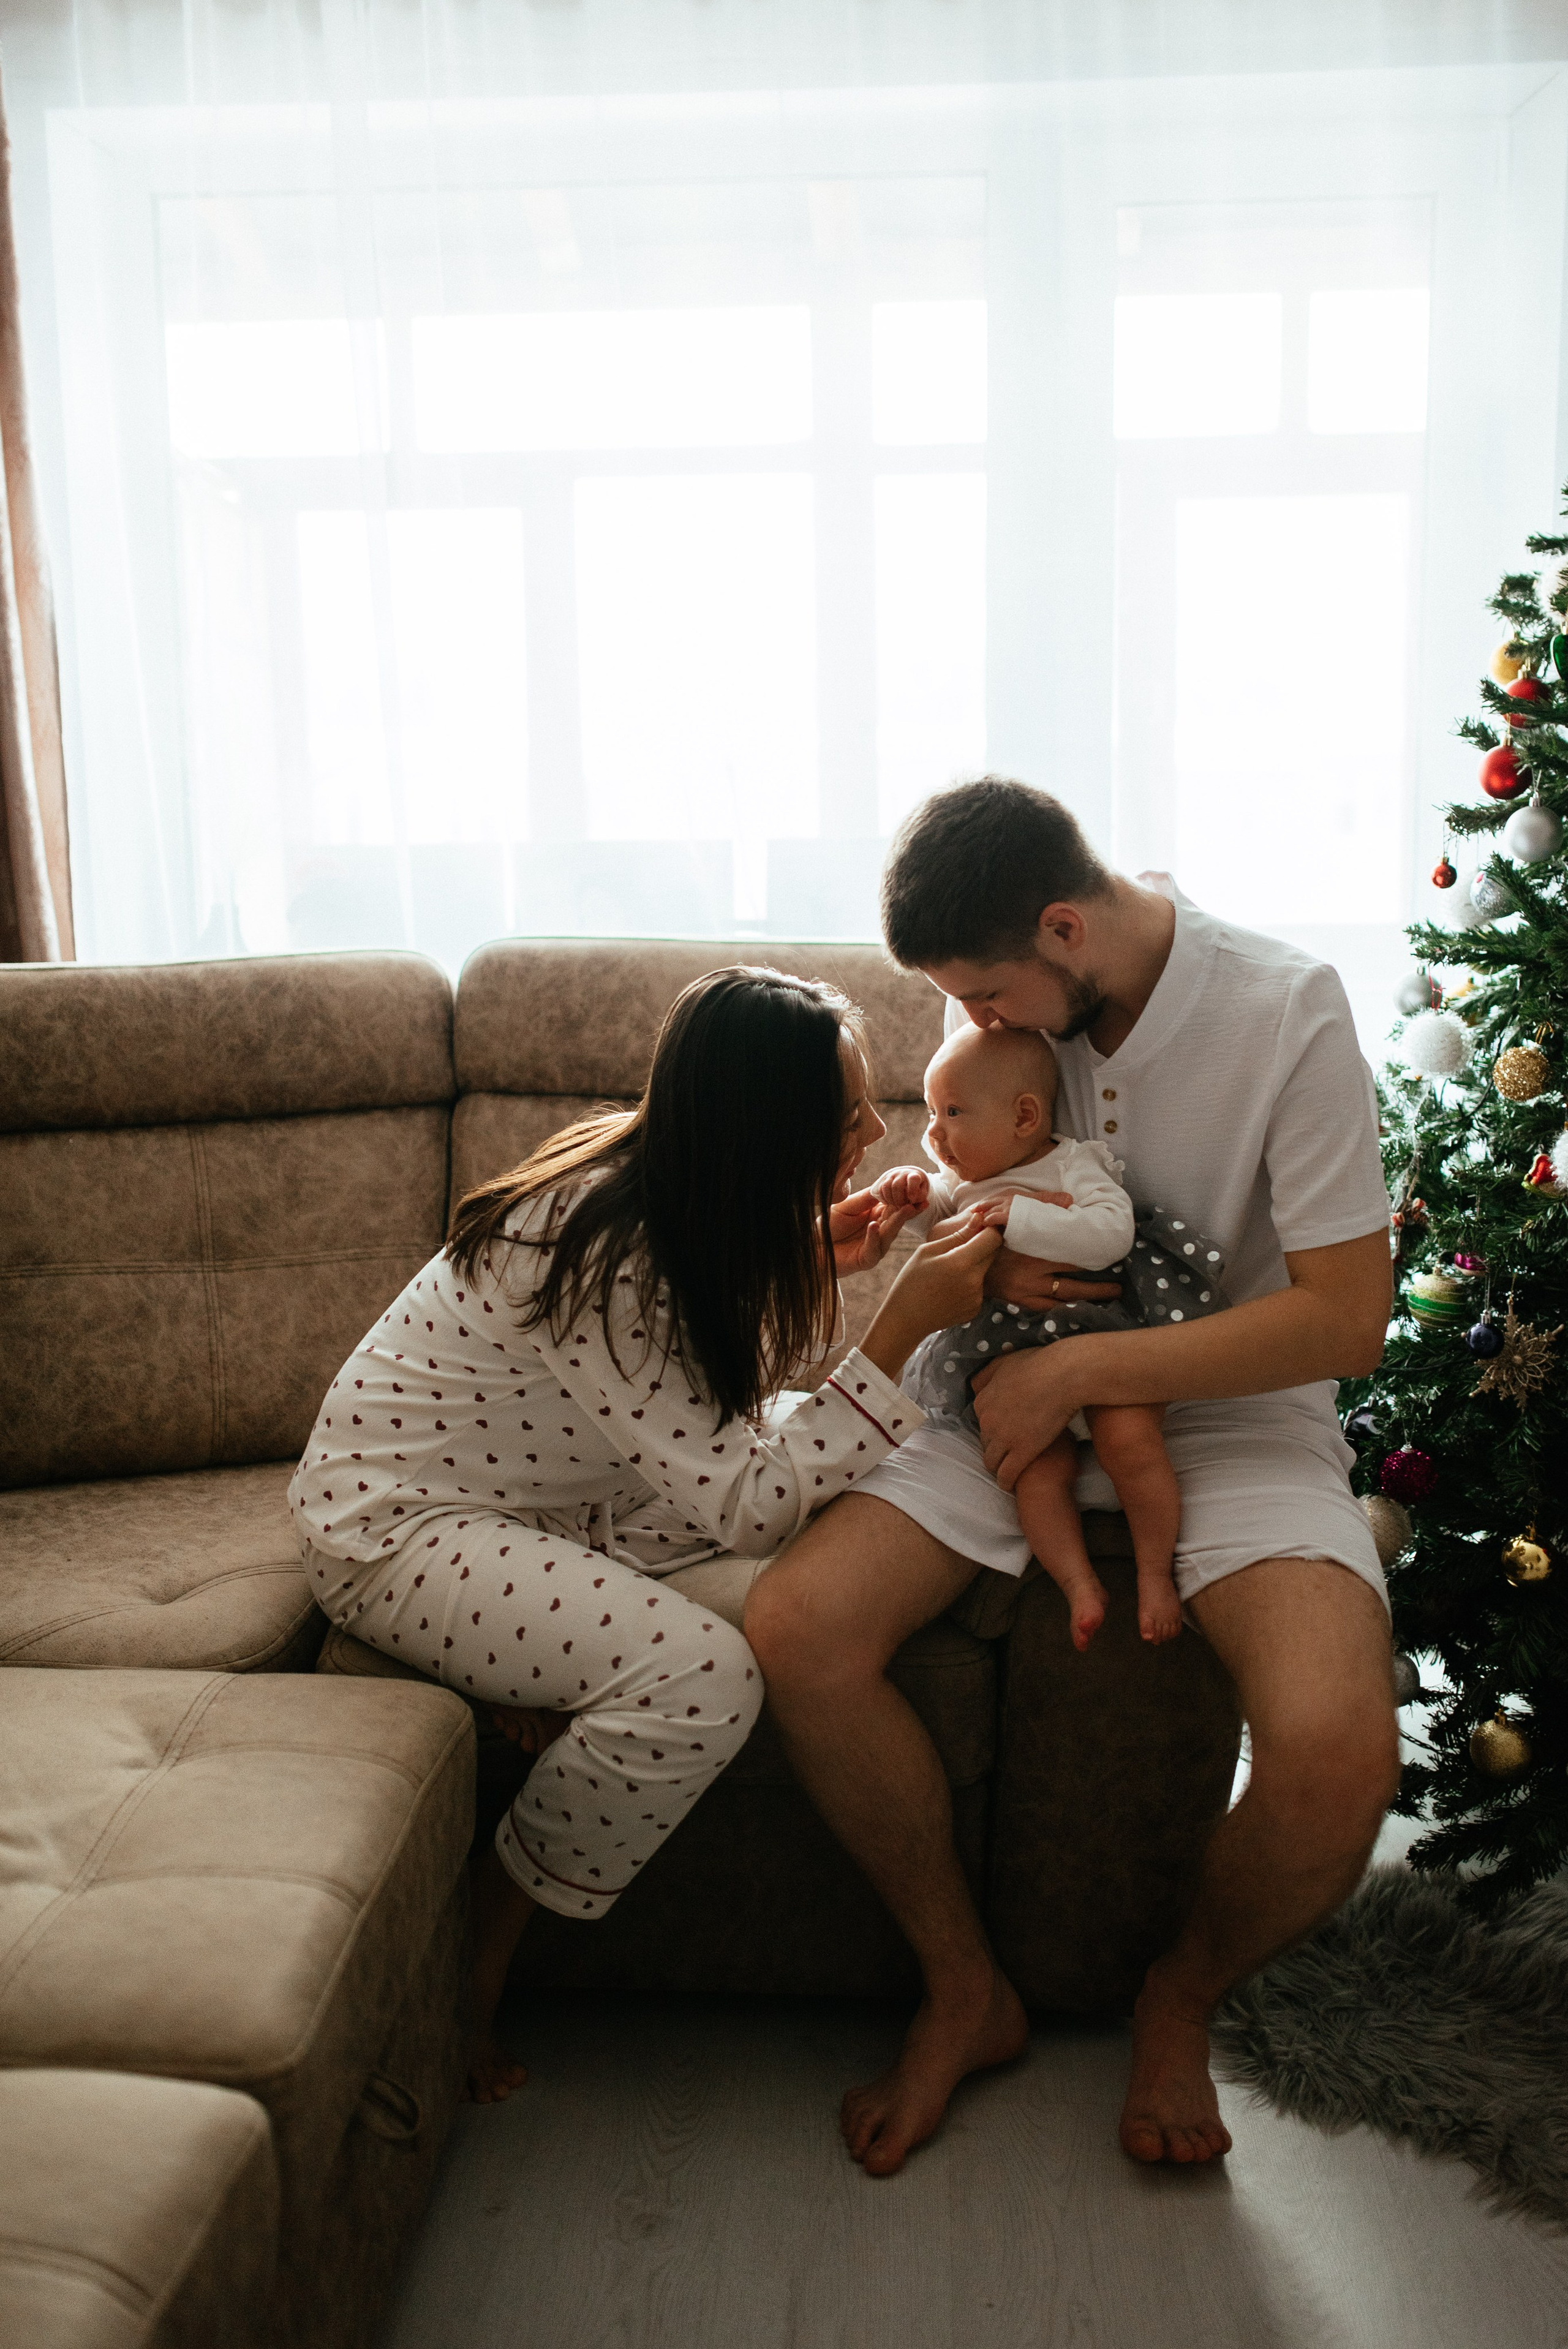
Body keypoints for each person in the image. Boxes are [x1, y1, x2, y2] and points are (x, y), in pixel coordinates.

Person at [745, 778, 1399, 2177]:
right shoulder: (998, 1004)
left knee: (1339, 1750)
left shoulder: (1285, 1010)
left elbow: (1346, 1317)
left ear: (1062, 927)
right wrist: (907, 1231)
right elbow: (970, 1173)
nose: (973, 1024)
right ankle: (962, 1985)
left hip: (1222, 1416)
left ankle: (1179, 1990)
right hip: (1002, 1386)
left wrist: (1095, 1372)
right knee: (798, 1629)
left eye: (987, 993)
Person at [290, 965, 1000, 2102]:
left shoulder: (672, 1182)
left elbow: (692, 1410)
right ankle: (476, 1964)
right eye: (846, 1114)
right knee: (705, 1678)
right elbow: (747, 1498)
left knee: (817, 1523)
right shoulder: (604, 1247)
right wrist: (903, 1320)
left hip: (554, 1500)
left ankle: (529, 1674)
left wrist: (811, 1249)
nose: (876, 1130)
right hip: (397, 1527)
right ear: (760, 1131)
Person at [872, 1019, 1228, 1649]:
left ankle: (1154, 1575)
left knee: (1131, 1438)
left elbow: (1112, 1233)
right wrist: (912, 1194)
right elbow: (938, 1227)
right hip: (1004, 1356)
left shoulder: (1074, 1163)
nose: (934, 1130)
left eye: (951, 1111)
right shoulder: (962, 1185)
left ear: (1026, 1116)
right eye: (929, 1111)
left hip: (1105, 1338)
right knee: (1035, 1469)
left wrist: (1027, 1215)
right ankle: (1076, 1583)